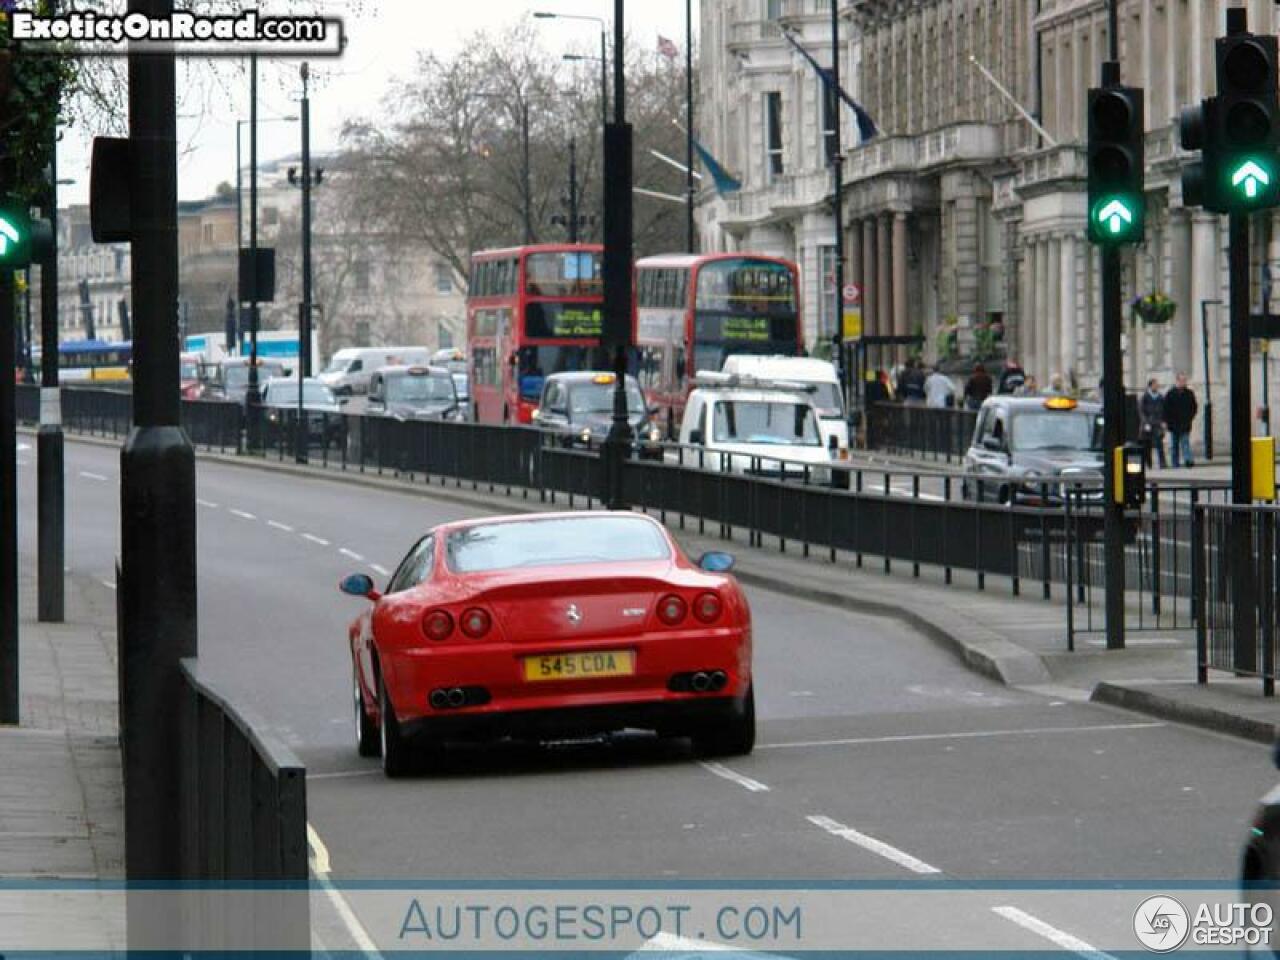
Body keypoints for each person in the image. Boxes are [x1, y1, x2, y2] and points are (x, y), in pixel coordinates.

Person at [1164, 372, 1198, 468]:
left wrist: (1190, 417)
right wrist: (1166, 422)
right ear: (1177, 381)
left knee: (1185, 443)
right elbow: (1166, 409)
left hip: (1185, 423)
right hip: (1173, 424)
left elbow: (1194, 407)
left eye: (1185, 380)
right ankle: (1175, 463)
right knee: (1174, 445)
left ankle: (1188, 460)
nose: (1184, 382)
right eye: (1182, 380)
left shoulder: (1189, 393)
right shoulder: (1170, 393)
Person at [1139, 377, 1167, 469]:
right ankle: (1149, 463)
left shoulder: (1160, 397)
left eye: (1157, 385)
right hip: (1148, 424)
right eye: (1155, 384)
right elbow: (1141, 411)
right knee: (1147, 445)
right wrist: (1145, 422)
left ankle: (1162, 463)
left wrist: (1163, 421)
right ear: (1150, 386)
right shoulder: (1145, 397)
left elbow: (1164, 410)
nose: (1157, 386)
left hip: (1158, 423)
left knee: (1159, 444)